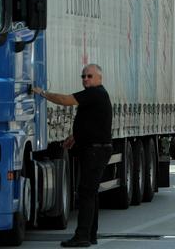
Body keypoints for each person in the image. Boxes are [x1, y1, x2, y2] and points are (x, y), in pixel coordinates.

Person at [33, 64, 113, 248]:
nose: (85, 79)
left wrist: (42, 93)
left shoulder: (95, 93)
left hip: (95, 150)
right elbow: (93, 123)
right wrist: (76, 136)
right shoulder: (96, 96)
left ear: (99, 78)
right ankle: (90, 235)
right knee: (90, 193)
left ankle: (82, 236)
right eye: (83, 76)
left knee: (86, 193)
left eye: (89, 76)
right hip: (95, 148)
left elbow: (65, 100)